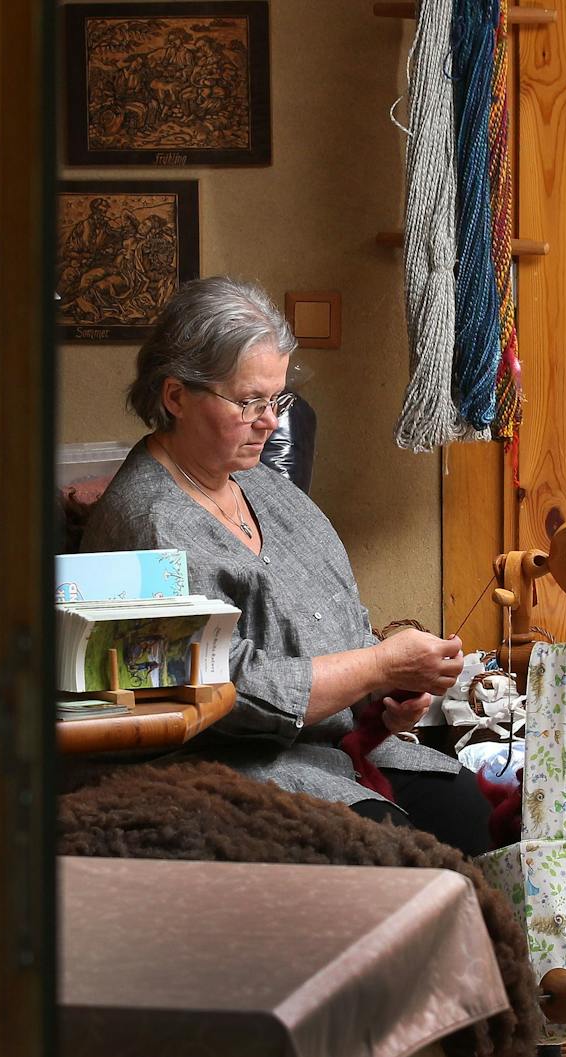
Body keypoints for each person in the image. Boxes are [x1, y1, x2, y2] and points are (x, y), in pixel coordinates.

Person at [82, 276, 494, 855]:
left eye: (276, 400)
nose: (270, 422)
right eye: (249, 401)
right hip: (219, 761)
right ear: (175, 396)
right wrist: (375, 666)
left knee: (467, 810)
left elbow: (339, 628)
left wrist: (386, 696)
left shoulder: (270, 493)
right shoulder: (144, 522)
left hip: (326, 743)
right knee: (388, 848)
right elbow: (215, 687)